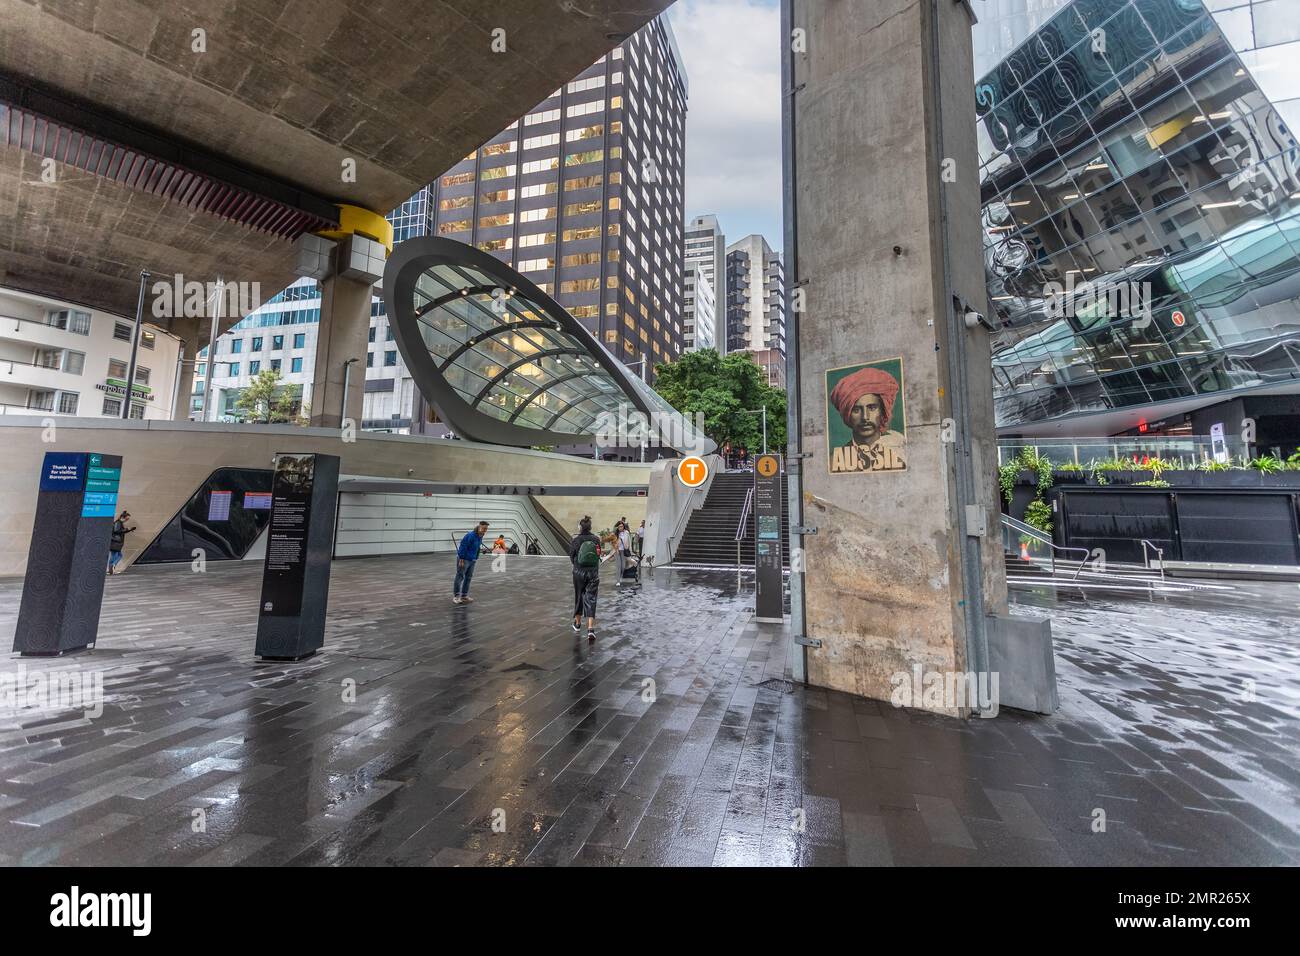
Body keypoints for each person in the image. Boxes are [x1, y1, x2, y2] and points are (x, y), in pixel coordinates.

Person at [828, 365, 906, 473]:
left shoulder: (900, 454)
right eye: (856, 409)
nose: (865, 417)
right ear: (848, 415)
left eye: (872, 408)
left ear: (882, 411)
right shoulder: (833, 462)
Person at [569, 515, 602, 641]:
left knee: (579, 596)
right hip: (593, 573)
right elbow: (598, 555)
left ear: (580, 527)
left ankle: (577, 624)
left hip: (578, 572)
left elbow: (571, 557)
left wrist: (577, 565)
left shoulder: (576, 540)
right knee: (591, 598)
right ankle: (590, 629)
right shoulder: (596, 539)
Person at [453, 520, 489, 604]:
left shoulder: (480, 535)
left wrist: (478, 553)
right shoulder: (471, 535)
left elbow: (475, 546)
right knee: (460, 576)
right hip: (464, 559)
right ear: (479, 526)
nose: (485, 530)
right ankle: (456, 596)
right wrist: (461, 558)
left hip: (472, 559)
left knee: (468, 577)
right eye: (484, 528)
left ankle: (464, 596)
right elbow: (463, 546)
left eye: (486, 529)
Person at [107, 510, 135, 575]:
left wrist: (129, 529)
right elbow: (117, 531)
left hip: (116, 542)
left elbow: (120, 531)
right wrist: (127, 529)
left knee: (118, 555)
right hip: (116, 542)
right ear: (122, 517)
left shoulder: (119, 523)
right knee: (116, 556)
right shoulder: (118, 523)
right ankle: (112, 568)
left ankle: (111, 569)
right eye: (127, 519)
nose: (127, 520)